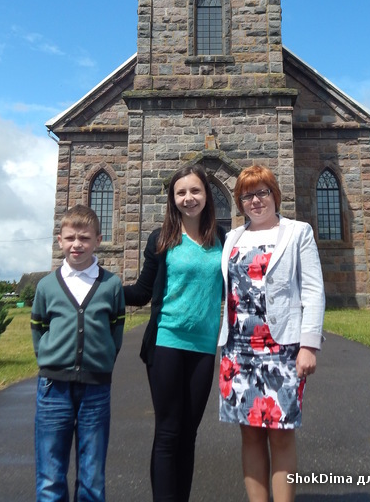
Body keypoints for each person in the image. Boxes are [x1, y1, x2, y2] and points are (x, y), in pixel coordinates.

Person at [217, 165, 325, 502]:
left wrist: (309, 345)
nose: (255, 200)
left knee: (280, 435)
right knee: (249, 433)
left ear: (274, 195)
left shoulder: (296, 232)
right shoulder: (232, 238)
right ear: (240, 202)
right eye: (247, 195)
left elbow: (312, 290)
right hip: (237, 350)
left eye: (262, 192)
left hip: (282, 350)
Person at [124, 165, 225, 502]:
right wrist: (99, 285)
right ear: (173, 198)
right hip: (167, 341)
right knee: (168, 433)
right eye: (181, 192)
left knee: (189, 434)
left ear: (207, 194)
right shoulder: (161, 238)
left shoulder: (221, 239)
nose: (188, 198)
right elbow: (141, 291)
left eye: (195, 191)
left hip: (204, 346)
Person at [31, 204, 125, 502]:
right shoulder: (47, 286)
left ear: (98, 239)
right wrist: (49, 359)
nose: (77, 244)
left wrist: (103, 361)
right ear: (59, 240)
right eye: (70, 238)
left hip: (96, 388)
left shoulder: (111, 285)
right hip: (53, 388)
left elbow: (116, 331)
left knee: (92, 476)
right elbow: (38, 328)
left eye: (84, 238)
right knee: (50, 475)